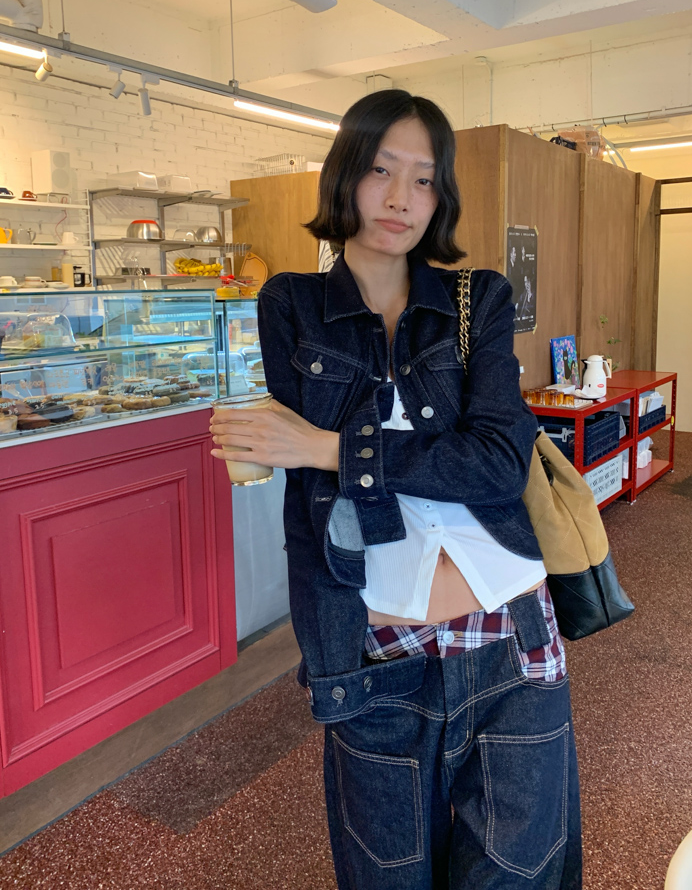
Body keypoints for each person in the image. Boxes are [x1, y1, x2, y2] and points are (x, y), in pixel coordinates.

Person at [209, 90, 582, 890]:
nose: (400, 198)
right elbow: (312, 499)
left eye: (423, 179)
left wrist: (329, 447)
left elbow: (496, 462)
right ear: (347, 174)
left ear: (440, 197)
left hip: (511, 630)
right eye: (381, 170)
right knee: (389, 874)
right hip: (378, 643)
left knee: (517, 873)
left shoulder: (477, 299)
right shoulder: (292, 306)